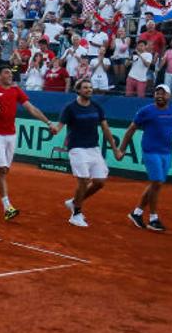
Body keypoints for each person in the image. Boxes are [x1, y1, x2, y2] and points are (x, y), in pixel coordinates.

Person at [115, 84, 172, 232]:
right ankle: (153, 218)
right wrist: (122, 149)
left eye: (163, 93)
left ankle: (137, 213)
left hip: (166, 152)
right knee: (157, 183)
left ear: (169, 96)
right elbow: (131, 129)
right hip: (150, 151)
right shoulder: (146, 111)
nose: (159, 95)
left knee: (155, 184)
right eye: (157, 93)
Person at [0, 66, 56, 221]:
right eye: (6, 72)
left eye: (11, 73)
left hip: (11, 135)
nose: (10, 75)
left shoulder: (16, 90)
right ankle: (7, 207)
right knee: (2, 169)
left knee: (2, 170)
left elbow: (31, 108)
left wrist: (48, 122)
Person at [47, 79, 120, 227]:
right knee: (84, 180)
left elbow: (106, 129)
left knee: (99, 182)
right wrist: (54, 130)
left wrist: (115, 149)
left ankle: (74, 202)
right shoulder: (70, 108)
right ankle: (76, 214)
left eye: (90, 87)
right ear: (78, 90)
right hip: (77, 148)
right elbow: (60, 126)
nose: (89, 90)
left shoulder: (96, 107)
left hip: (93, 148)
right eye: (85, 88)